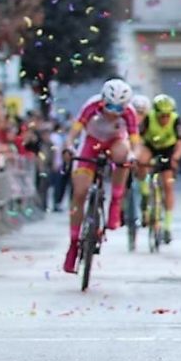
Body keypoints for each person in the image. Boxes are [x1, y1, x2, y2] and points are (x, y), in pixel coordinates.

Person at [60, 78, 139, 273]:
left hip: (115, 142)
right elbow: (74, 132)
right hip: (91, 143)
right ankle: (73, 244)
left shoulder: (130, 113)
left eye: (119, 108)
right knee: (80, 192)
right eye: (109, 106)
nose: (113, 113)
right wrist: (69, 146)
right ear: (102, 101)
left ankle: (116, 201)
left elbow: (135, 142)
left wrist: (133, 155)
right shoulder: (91, 106)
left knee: (124, 155)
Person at [136, 94, 181, 244]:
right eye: (161, 116)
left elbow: (180, 143)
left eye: (167, 115)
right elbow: (138, 139)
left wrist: (175, 158)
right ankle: (145, 193)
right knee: (141, 161)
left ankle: (167, 226)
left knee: (168, 185)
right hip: (150, 146)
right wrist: (137, 156)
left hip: (168, 149)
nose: (164, 119)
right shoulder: (148, 119)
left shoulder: (175, 120)